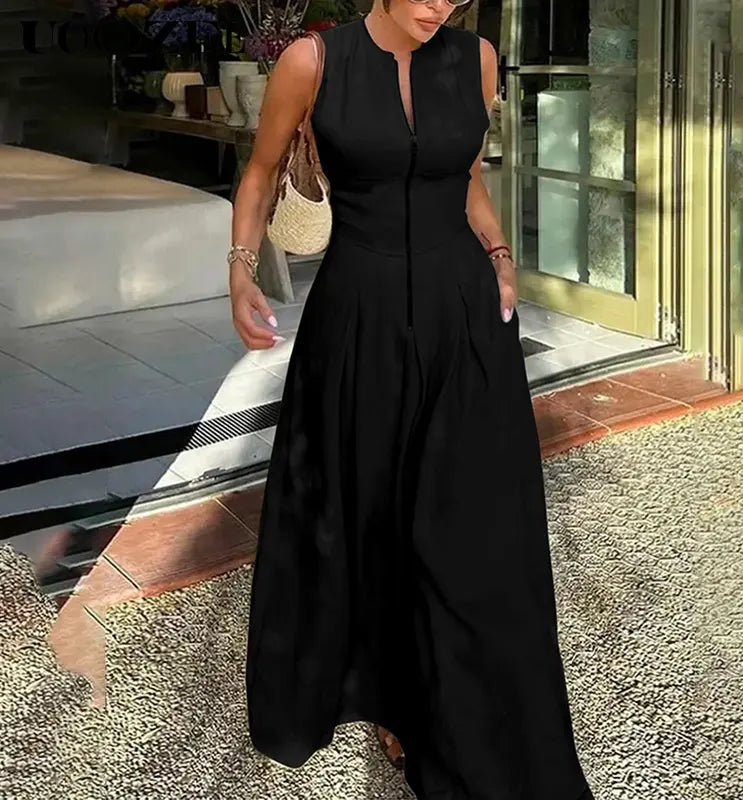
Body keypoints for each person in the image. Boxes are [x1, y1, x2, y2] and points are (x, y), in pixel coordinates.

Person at [229, 1, 594, 798]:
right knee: (369, 510)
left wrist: (500, 252)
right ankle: (387, 691)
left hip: (462, 315)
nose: (441, 5)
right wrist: (240, 270)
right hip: (356, 318)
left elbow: (466, 179)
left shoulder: (477, 59)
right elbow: (259, 171)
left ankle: (466, 708)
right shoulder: (312, 63)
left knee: (469, 522)